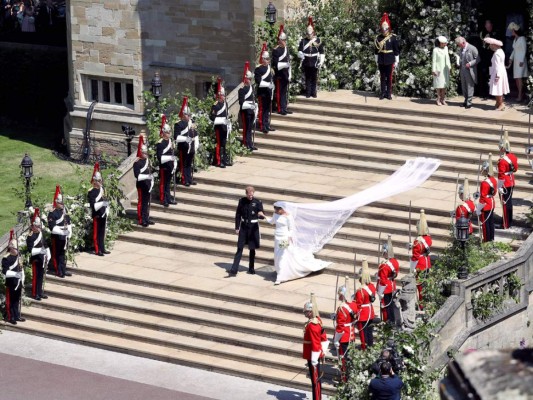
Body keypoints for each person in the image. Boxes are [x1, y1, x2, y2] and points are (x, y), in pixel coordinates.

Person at [265, 202, 330, 284]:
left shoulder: (288, 216)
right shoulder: (276, 214)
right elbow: (272, 222)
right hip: (277, 237)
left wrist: (289, 237)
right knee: (277, 255)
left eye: (278, 209)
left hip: (285, 238)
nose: (276, 211)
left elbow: (291, 229)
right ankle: (281, 271)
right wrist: (264, 216)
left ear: (282, 209)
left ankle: (281, 277)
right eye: (275, 209)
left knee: (283, 255)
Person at [228, 186, 264, 276]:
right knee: (240, 247)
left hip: (253, 228)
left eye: (252, 195)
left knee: (252, 248)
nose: (250, 197)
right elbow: (238, 215)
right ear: (246, 194)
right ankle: (234, 269)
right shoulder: (242, 201)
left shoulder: (258, 202)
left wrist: (261, 215)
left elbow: (261, 214)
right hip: (244, 227)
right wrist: (237, 227)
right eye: (249, 195)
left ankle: (251, 268)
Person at [302, 293, 328, 400]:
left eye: (307, 312)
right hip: (312, 354)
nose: (305, 313)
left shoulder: (312, 325)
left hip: (313, 355)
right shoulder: (316, 320)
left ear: (310, 312)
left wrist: (314, 359)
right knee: (314, 380)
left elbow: (316, 343)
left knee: (315, 381)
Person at [333, 280, 358, 381]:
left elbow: (340, 327)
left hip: (344, 336)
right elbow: (356, 317)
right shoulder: (353, 305)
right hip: (351, 333)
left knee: (343, 358)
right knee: (350, 356)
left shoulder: (341, 309)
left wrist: (335, 340)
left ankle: (345, 378)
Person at [48, 185, 73, 276]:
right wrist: (62, 232)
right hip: (57, 236)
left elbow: (68, 222)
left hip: (64, 235)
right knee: (57, 253)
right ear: (56, 202)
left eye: (62, 202)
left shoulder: (64, 211)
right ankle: (58, 270)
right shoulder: (52, 213)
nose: (62, 204)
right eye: (60, 203)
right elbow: (52, 227)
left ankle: (63, 269)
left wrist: (69, 232)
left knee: (63, 253)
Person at [174, 96, 199, 186]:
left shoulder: (191, 123)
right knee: (184, 164)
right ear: (183, 115)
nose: (189, 116)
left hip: (191, 146)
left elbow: (195, 133)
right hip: (183, 147)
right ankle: (185, 180)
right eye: (187, 115)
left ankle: (190, 179)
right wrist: (185, 139)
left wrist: (196, 144)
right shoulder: (178, 124)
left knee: (189, 164)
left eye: (189, 115)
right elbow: (176, 137)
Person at [374, 13, 400, 100]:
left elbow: (396, 50)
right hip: (381, 60)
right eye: (383, 29)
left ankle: (389, 93)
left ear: (388, 29)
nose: (384, 30)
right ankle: (382, 93)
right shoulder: (378, 38)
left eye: (385, 29)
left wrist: (396, 61)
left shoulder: (393, 38)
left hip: (390, 59)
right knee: (382, 77)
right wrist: (376, 60)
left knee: (389, 77)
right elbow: (376, 51)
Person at [2, 230, 25, 324]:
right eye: (16, 249)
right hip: (11, 282)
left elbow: (21, 267)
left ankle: (17, 315)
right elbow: (5, 272)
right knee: (10, 300)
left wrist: (22, 278)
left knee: (16, 300)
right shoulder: (6, 258)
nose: (17, 250)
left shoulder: (18, 255)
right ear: (11, 248)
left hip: (18, 282)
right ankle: (11, 317)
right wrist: (15, 274)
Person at [298, 17, 324, 99]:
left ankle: (314, 92)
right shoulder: (303, 41)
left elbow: (321, 52)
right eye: (308, 34)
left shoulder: (318, 40)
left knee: (314, 78)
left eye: (311, 34)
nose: (309, 35)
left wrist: (321, 61)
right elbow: (299, 51)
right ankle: (308, 93)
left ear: (313, 33)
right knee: (307, 78)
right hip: (306, 61)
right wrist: (300, 54)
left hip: (314, 61)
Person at [87, 163, 110, 256]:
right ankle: (97, 249)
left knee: (102, 232)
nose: (100, 182)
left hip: (103, 213)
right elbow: (93, 204)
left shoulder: (102, 189)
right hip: (96, 214)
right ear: (95, 181)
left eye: (101, 180)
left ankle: (102, 247)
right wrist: (102, 203)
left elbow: (105, 199)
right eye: (99, 180)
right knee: (96, 233)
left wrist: (106, 207)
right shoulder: (91, 191)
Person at [26, 208, 49, 300]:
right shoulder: (31, 236)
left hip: (42, 258)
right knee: (36, 277)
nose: (39, 228)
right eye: (37, 226)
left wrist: (48, 253)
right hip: (36, 259)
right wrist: (40, 251)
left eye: (40, 226)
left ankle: (40, 292)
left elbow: (45, 244)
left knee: (41, 276)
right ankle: (35, 293)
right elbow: (30, 250)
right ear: (33, 226)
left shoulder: (40, 233)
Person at [497, 132, 518, 229]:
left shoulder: (502, 160)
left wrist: (500, 186)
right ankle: (510, 221)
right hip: (511, 181)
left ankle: (505, 223)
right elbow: (515, 169)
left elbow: (501, 175)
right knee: (509, 202)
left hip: (504, 183)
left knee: (505, 203)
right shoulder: (513, 157)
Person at [411, 210, 432, 308]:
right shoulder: (428, 238)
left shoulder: (417, 242)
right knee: (426, 285)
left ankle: (422, 306)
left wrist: (412, 269)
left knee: (420, 287)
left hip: (420, 264)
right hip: (427, 262)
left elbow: (415, 257)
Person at [133, 135, 155, 226]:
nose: (146, 154)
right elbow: (137, 176)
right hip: (141, 184)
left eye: (146, 152)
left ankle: (146, 217)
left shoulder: (148, 161)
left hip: (147, 184)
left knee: (147, 202)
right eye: (144, 153)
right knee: (142, 202)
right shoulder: (137, 162)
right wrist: (147, 177)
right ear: (141, 152)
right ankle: (142, 219)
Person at [354, 258, 376, 350]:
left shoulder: (360, 291)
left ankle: (365, 348)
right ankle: (370, 346)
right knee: (369, 332)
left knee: (363, 333)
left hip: (363, 314)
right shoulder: (371, 286)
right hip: (370, 312)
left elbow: (358, 305)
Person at [377, 235, 399, 324]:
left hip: (386, 288)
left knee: (387, 306)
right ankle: (393, 320)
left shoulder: (384, 265)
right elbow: (395, 273)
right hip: (392, 284)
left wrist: (380, 292)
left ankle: (389, 322)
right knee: (392, 304)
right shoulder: (394, 261)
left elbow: (383, 280)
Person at [475, 153, 497, 242]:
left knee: (485, 223)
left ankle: (487, 240)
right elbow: (494, 192)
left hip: (486, 204)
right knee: (491, 222)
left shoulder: (484, 183)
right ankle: (491, 238)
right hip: (491, 201)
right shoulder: (493, 180)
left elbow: (483, 197)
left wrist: (478, 209)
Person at [156, 115, 177, 206]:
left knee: (168, 184)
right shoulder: (160, 143)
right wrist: (169, 158)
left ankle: (168, 198)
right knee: (163, 184)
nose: (169, 134)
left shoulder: (170, 142)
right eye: (167, 132)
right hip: (164, 167)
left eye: (169, 132)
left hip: (170, 166)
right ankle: (163, 199)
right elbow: (160, 157)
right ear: (164, 133)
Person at [254, 44, 275, 134]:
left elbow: (271, 80)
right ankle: (262, 126)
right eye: (265, 59)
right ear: (262, 59)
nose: (266, 60)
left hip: (268, 92)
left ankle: (267, 124)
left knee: (267, 110)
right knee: (262, 109)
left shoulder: (270, 69)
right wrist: (268, 85)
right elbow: (259, 82)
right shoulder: (258, 69)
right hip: (262, 93)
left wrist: (272, 87)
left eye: (267, 59)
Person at [210, 78, 231, 167]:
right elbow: (212, 117)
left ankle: (224, 159)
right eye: (223, 95)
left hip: (224, 126)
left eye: (224, 95)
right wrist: (221, 121)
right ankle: (219, 161)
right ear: (219, 96)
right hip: (219, 127)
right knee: (219, 144)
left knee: (224, 144)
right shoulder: (216, 105)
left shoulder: (225, 104)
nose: (224, 97)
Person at [272, 25, 292, 115]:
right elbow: (276, 64)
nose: (284, 42)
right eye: (282, 40)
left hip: (286, 74)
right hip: (279, 74)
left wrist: (289, 74)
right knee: (280, 92)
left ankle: (285, 107)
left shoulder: (286, 49)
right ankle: (280, 108)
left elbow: (289, 61)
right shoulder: (276, 50)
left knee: (285, 92)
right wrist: (285, 65)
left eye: (285, 40)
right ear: (279, 41)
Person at [484, 37, 509, 111]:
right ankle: (498, 103)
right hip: (500, 71)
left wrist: (497, 75)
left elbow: (497, 65)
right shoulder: (500, 51)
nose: (490, 47)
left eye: (491, 45)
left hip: (498, 72)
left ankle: (501, 104)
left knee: (498, 89)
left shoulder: (497, 53)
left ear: (495, 45)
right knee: (498, 88)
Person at [455, 36, 479, 109]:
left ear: (463, 42)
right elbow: (460, 58)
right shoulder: (461, 49)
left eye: (460, 45)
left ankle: (469, 102)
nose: (459, 46)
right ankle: (465, 100)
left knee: (469, 86)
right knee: (464, 86)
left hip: (469, 70)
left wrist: (470, 63)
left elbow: (478, 59)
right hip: (462, 70)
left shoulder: (472, 48)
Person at [479, 19, 501, 99]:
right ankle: (485, 93)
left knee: (493, 75)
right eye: (486, 26)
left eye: (489, 26)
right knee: (484, 75)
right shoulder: (482, 33)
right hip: (485, 58)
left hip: (493, 57)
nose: (488, 27)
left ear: (491, 25)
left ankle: (492, 93)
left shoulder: (495, 33)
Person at [238, 61, 257, 151]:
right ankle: (246, 143)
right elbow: (241, 102)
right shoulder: (242, 90)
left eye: (250, 79)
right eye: (248, 79)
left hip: (251, 111)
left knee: (250, 128)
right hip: (245, 111)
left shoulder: (252, 88)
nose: (249, 80)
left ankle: (250, 143)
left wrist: (254, 106)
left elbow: (253, 99)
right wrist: (250, 106)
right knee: (246, 128)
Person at [507, 23, 528, 102]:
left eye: (512, 30)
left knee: (519, 78)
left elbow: (524, 50)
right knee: (516, 78)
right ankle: (520, 93)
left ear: (515, 31)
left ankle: (520, 95)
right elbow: (514, 50)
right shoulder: (515, 39)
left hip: (520, 61)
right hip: (516, 61)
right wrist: (511, 58)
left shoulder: (522, 38)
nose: (511, 32)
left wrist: (522, 61)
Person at [432, 36, 451, 106]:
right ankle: (438, 99)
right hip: (438, 69)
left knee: (444, 85)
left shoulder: (446, 48)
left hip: (445, 69)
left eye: (445, 43)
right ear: (439, 43)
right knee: (438, 85)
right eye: (443, 43)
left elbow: (448, 58)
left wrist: (449, 67)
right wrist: (433, 70)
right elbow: (434, 61)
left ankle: (443, 99)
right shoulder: (435, 50)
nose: (445, 44)